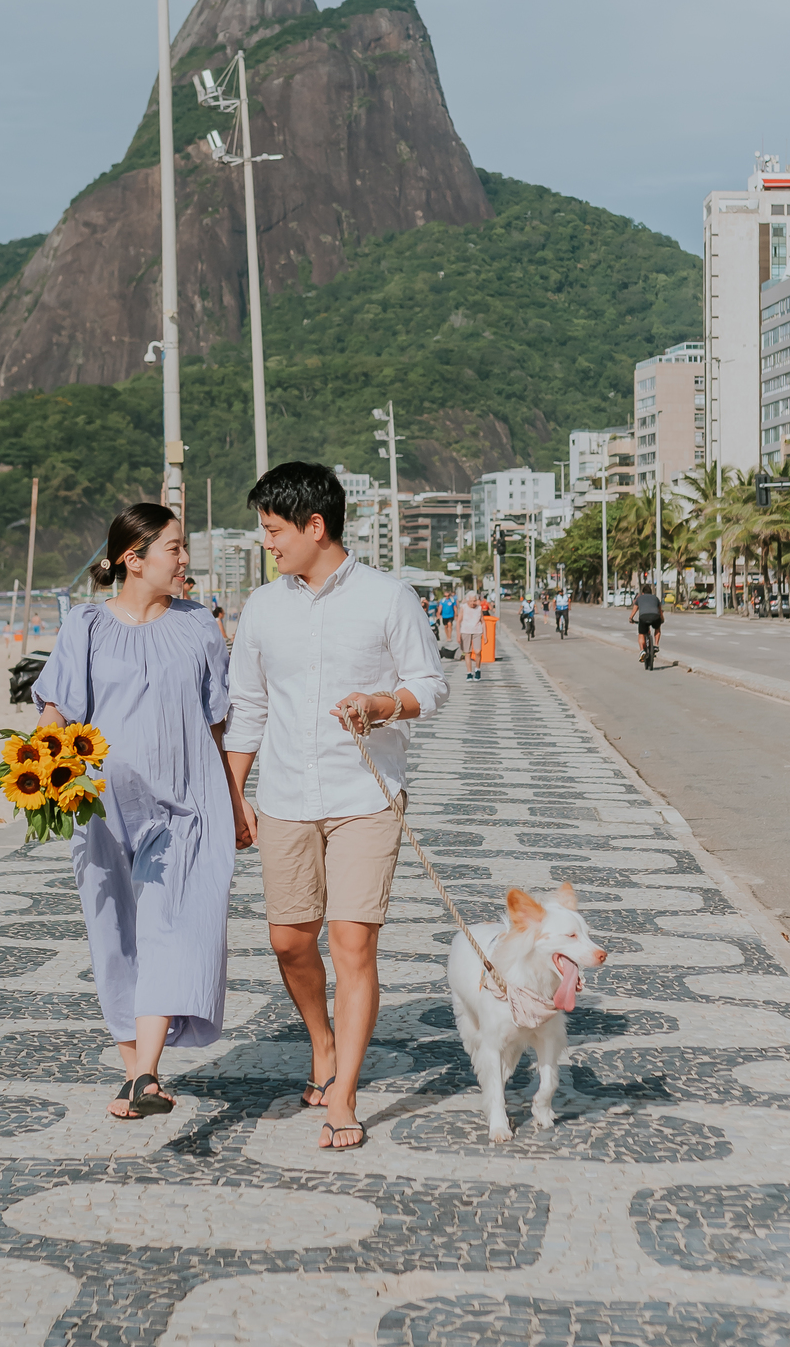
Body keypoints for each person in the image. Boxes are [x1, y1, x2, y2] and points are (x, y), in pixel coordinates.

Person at [223, 462, 447, 1152]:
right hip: (284, 796)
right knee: (289, 941)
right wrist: (234, 794)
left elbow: (430, 685)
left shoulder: (388, 597)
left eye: (274, 530)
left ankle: (343, 1092)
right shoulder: (263, 607)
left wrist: (382, 704)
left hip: (364, 797)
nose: (268, 543)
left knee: (353, 944)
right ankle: (321, 1040)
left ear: (315, 526)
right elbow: (247, 707)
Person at [32, 503, 254, 1122]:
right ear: (134, 558)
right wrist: (40, 763)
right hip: (102, 806)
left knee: (174, 925)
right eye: (174, 548)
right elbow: (57, 707)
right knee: (114, 934)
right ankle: (137, 1078)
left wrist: (236, 797)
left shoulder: (198, 624)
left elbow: (217, 722)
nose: (184, 559)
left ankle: (149, 1069)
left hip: (188, 804)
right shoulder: (85, 626)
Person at [630, 583, 663, 661]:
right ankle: (656, 645)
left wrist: (631, 618)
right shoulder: (655, 598)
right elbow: (660, 611)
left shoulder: (639, 598)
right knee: (657, 628)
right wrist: (662, 619)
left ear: (643, 593)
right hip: (655, 616)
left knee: (641, 634)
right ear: (651, 592)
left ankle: (642, 650)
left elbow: (635, 609)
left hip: (643, 617)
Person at [458, 588, 485, 679]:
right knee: (467, 653)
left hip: (477, 631)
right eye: (471, 601)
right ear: (467, 600)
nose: (472, 603)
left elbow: (483, 621)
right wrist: (458, 635)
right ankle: (469, 673)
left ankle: (477, 669)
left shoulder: (479, 608)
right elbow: (458, 621)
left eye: (474, 600)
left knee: (478, 651)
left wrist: (485, 635)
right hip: (465, 631)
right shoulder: (463, 607)